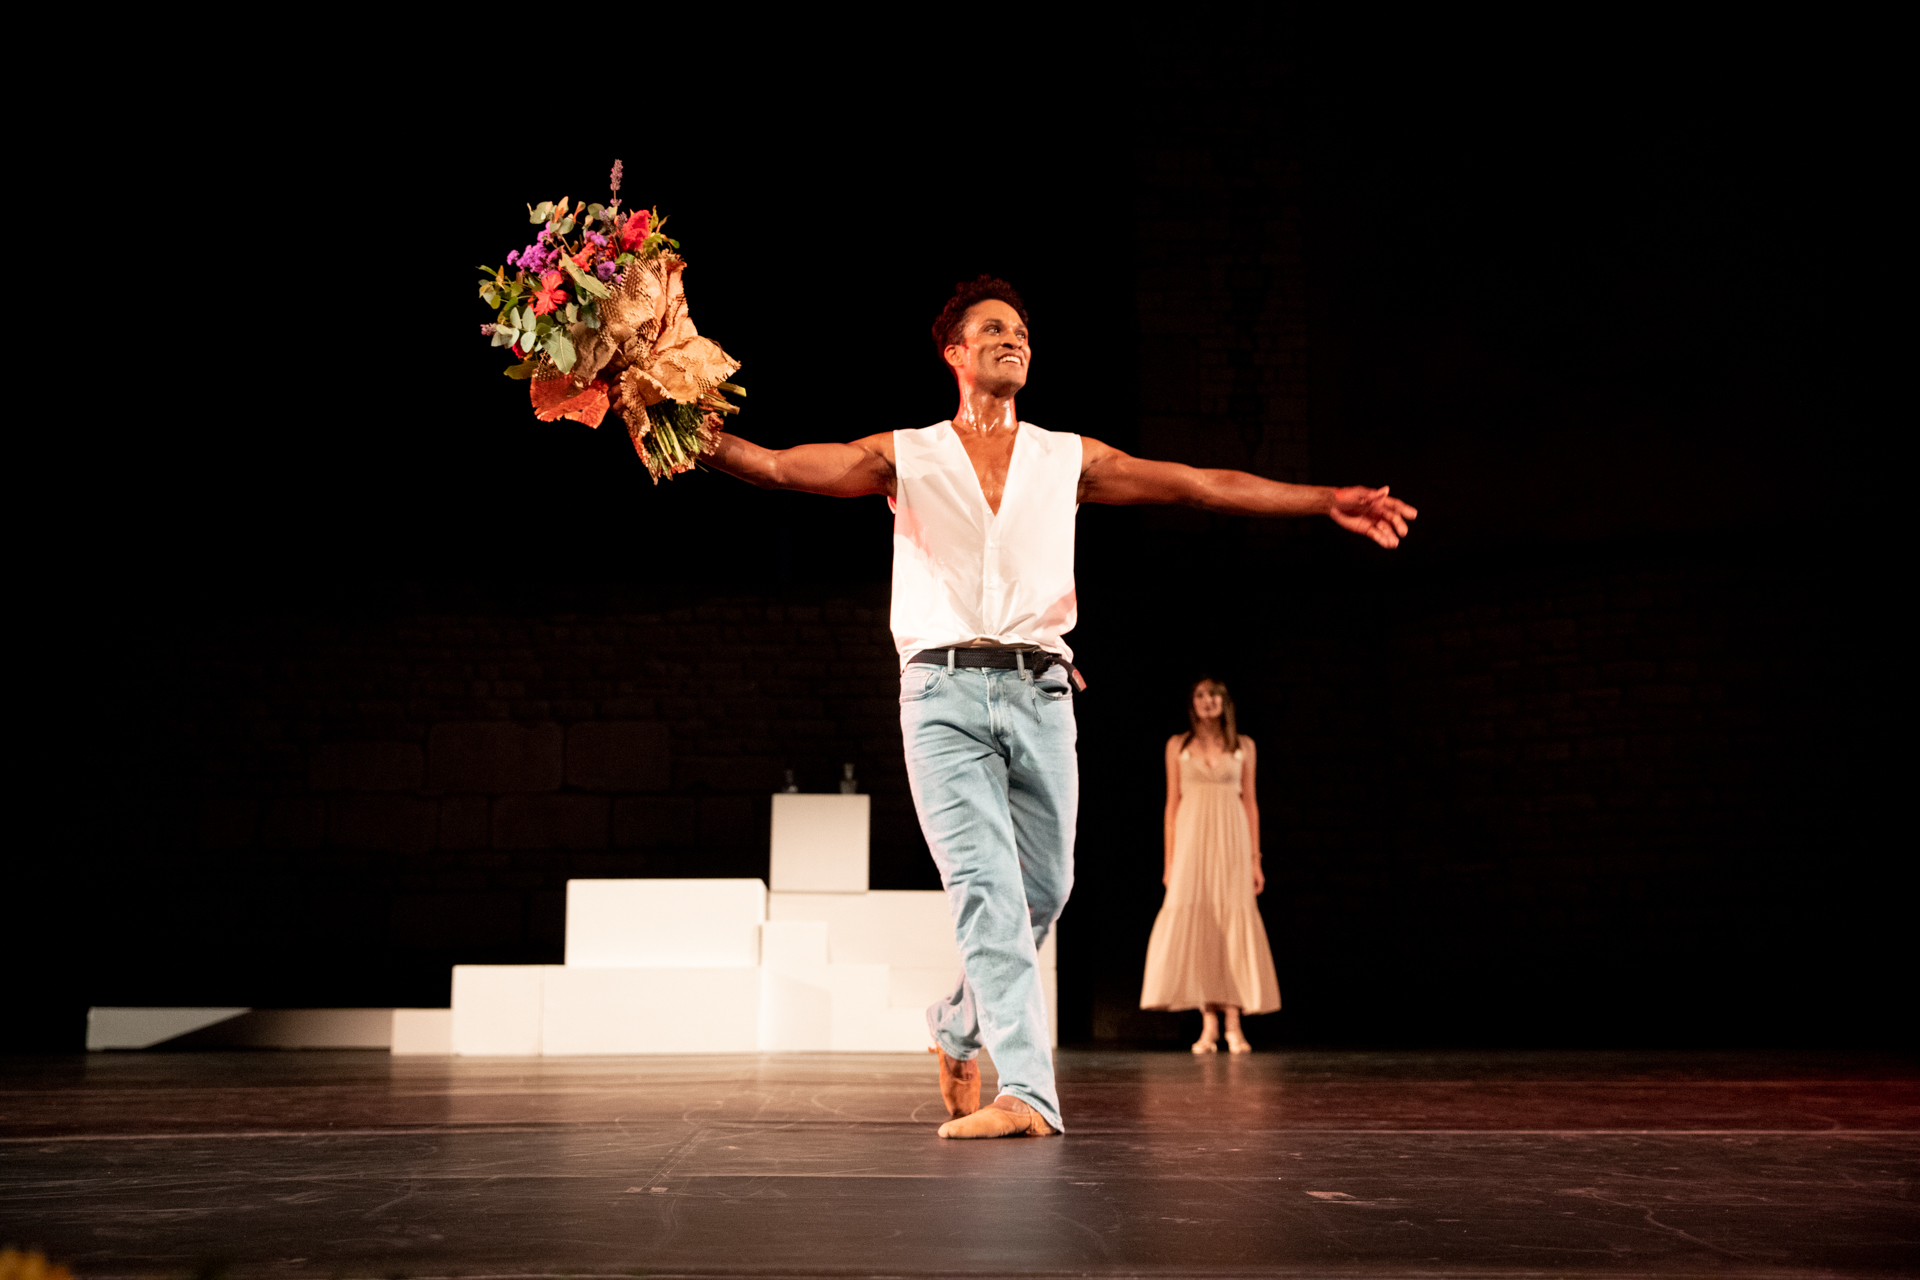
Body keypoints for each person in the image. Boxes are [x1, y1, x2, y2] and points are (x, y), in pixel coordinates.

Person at [699, 276, 1415, 1138]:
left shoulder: (1064, 458)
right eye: (993, 329)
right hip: (942, 695)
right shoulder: (908, 454)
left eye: (1023, 331)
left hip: (1042, 694)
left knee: (1047, 886)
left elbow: (1197, 484)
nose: (1015, 339)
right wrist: (675, 430)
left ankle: (957, 1024)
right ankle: (1028, 1094)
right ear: (954, 354)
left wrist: (1321, 500)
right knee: (987, 889)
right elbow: (777, 467)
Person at [1139, 677, 1280, 1053]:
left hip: (1232, 839)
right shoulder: (1178, 746)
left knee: (1233, 924)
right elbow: (1171, 806)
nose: (1208, 701)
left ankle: (1234, 1022)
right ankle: (1209, 1025)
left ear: (1225, 702)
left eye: (1214, 695)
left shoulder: (1243, 746)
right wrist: (1170, 862)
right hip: (1191, 840)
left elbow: (1250, 804)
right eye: (1201, 695)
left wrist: (1256, 860)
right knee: (1200, 925)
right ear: (1192, 703)